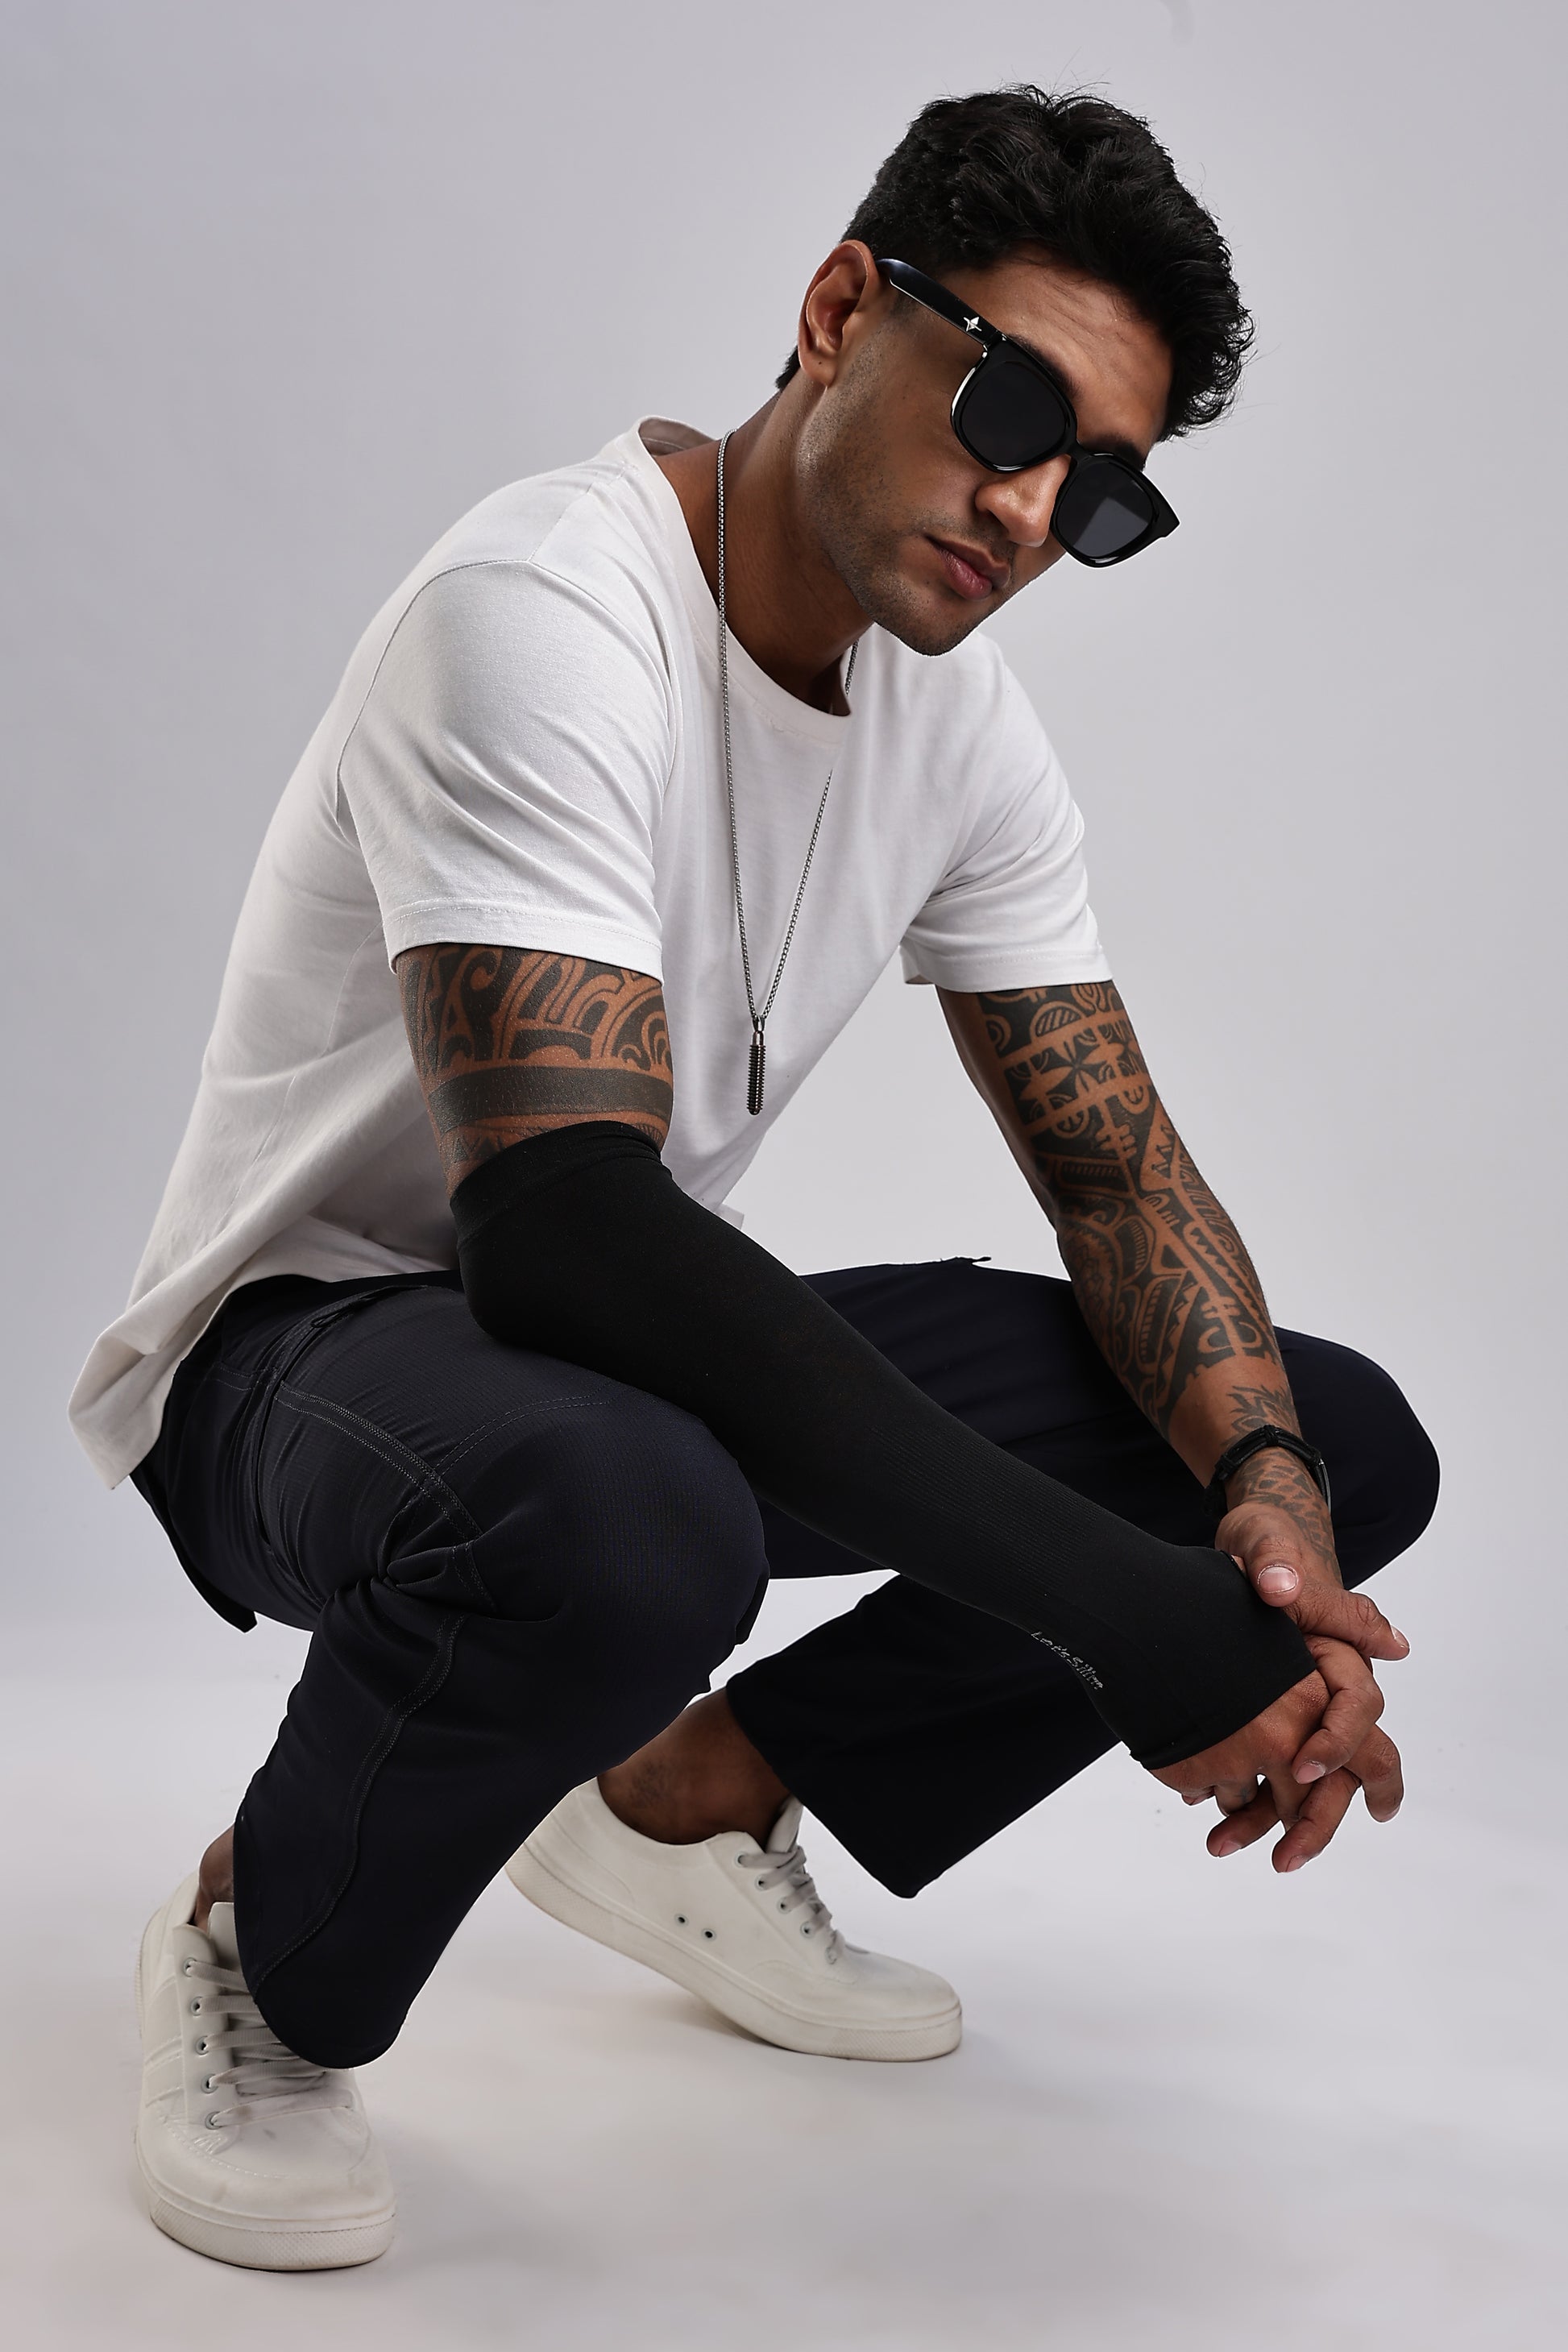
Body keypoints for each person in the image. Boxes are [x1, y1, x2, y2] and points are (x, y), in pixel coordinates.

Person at [73, 85, 1439, 2272]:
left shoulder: (957, 732)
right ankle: (260, 1945)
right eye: (1011, 405)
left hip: (606, 1350)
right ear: (836, 310)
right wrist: (1134, 1629)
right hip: (301, 1358)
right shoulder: (543, 605)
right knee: (633, 1523)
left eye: (1099, 489)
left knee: (1327, 1428)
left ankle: (685, 1803)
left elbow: (1112, 1177)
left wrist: (1255, 1506)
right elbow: (561, 1223)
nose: (1028, 507)